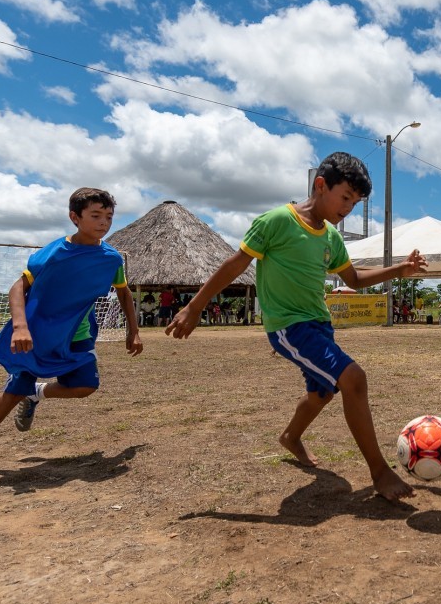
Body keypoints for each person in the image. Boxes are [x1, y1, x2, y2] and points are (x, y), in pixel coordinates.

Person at [166, 152, 426, 502]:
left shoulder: (331, 237)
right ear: (320, 185)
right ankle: (379, 471)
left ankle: (291, 437)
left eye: (356, 201)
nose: (348, 207)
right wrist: (194, 307)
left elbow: (354, 278)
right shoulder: (276, 221)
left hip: (320, 324)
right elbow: (233, 265)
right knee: (354, 379)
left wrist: (398, 270)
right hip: (289, 327)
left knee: (322, 393)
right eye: (345, 197)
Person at [0, 188, 143, 478]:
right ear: (74, 217)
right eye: (95, 216)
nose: (104, 223)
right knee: (14, 390)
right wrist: (20, 326)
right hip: (39, 333)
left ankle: (37, 394)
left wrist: (134, 331)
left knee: (85, 387)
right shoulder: (54, 253)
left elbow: (124, 293)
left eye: (108, 216)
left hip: (78, 334)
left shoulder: (111, 259)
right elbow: (19, 287)